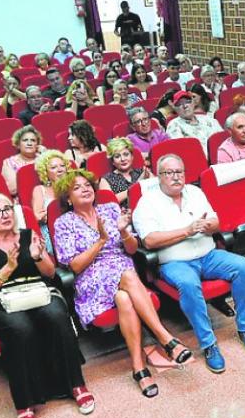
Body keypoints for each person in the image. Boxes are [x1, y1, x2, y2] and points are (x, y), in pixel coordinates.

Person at [52, 170, 193, 398]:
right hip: (91, 278)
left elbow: (130, 249)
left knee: (124, 298)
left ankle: (139, 369)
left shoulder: (109, 209)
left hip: (122, 269)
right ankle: (165, 337)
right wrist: (101, 241)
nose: (85, 189)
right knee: (128, 274)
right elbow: (75, 267)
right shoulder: (63, 223)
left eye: (87, 185)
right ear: (68, 198)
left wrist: (123, 232)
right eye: (77, 188)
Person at [0, 193, 92, 418]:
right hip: (2, 300)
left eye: (8, 208)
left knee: (56, 316)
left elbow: (49, 273)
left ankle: (76, 385)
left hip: (38, 290)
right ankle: (24, 403)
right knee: (20, 328)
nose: (5, 214)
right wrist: (7, 269)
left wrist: (36, 257)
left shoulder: (28, 235)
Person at [133, 154, 245, 373]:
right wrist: (187, 231)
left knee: (242, 266)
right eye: (169, 173)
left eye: (180, 172)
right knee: (188, 284)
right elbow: (149, 240)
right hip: (175, 262)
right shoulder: (146, 202)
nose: (176, 177)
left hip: (208, 255)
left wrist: (208, 226)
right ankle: (209, 344)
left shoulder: (195, 192)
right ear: (158, 176)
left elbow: (216, 222)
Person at [98, 137, 150, 207]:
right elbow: (109, 204)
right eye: (117, 156)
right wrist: (138, 184)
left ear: (132, 156)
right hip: (124, 215)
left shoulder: (142, 171)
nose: (123, 159)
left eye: (126, 154)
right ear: (113, 161)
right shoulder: (106, 179)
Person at [2, 125, 43, 197]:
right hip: (22, 199)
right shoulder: (9, 163)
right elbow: (13, 189)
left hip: (44, 195)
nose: (29, 143)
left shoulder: (43, 158)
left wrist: (45, 153)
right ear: (18, 144)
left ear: (37, 145)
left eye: (33, 140)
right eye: (25, 140)